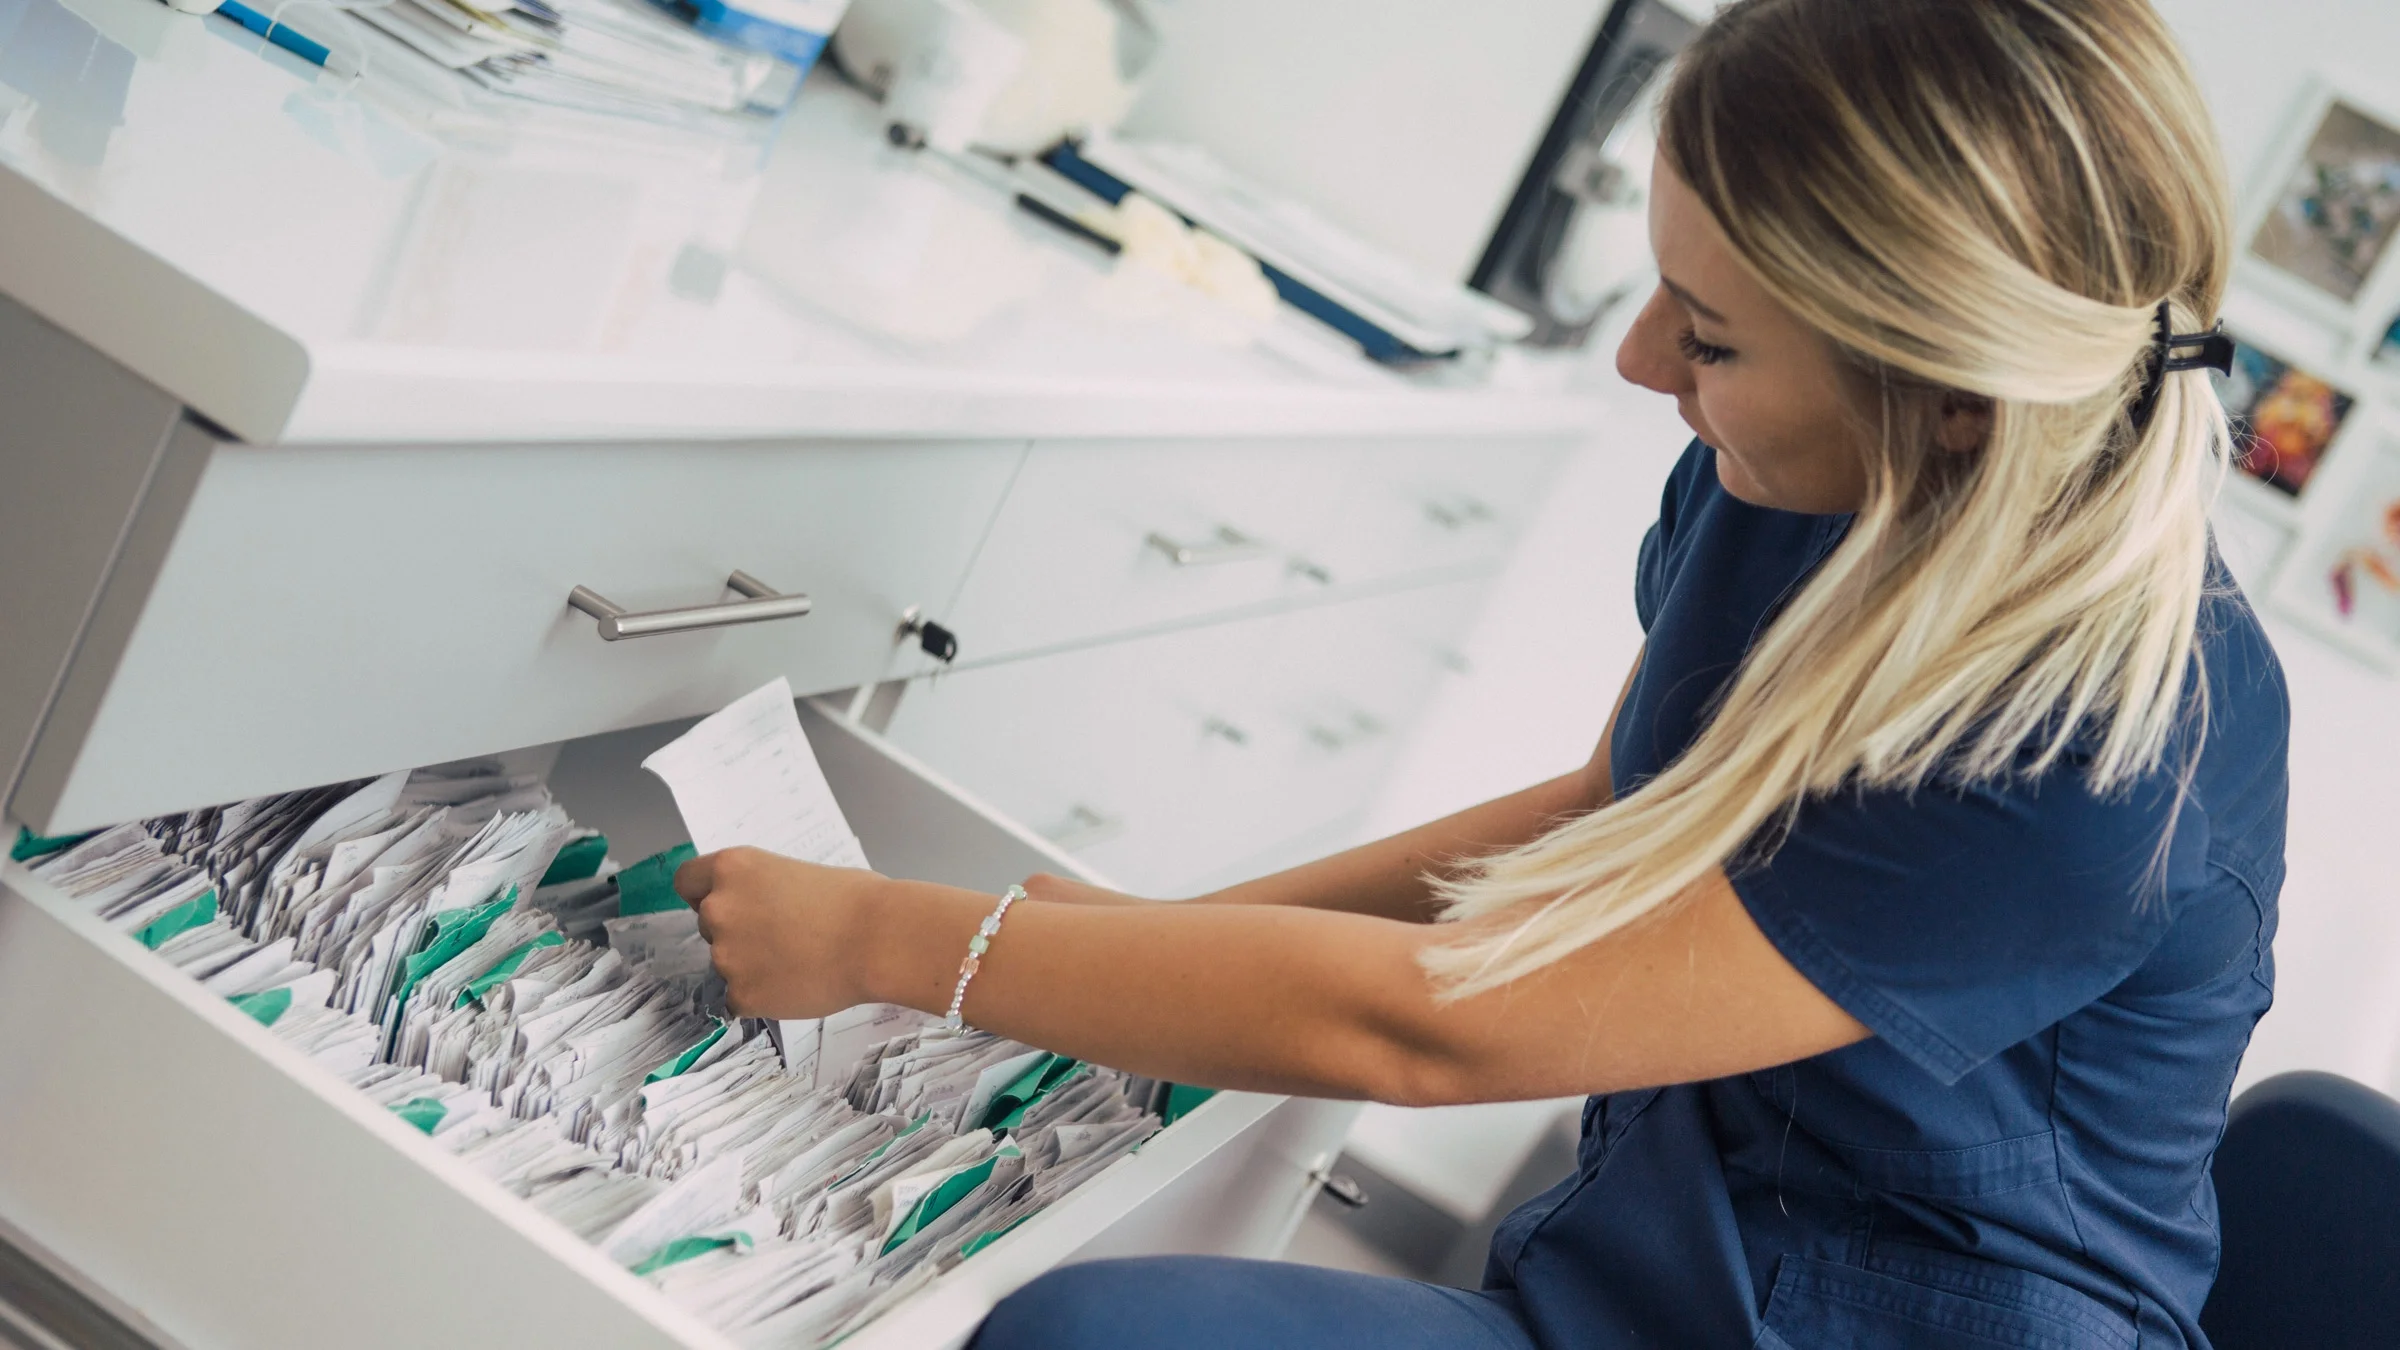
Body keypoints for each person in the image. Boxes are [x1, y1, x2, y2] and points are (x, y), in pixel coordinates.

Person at [674, 0, 2289, 1344]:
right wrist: (1137, 949)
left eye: (1709, 336)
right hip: (1668, 1260)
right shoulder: (1793, 485)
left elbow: (1435, 1034)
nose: (1640, 360)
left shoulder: (2102, 756)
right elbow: (1604, 818)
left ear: (1951, 400)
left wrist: (899, 940)